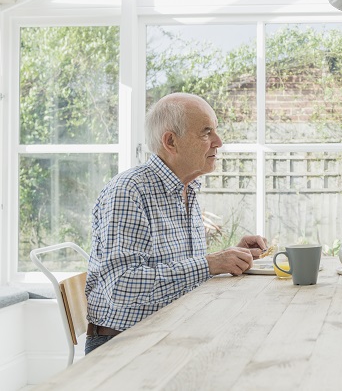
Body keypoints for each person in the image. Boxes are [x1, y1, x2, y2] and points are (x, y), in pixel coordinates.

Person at [85, 93, 266, 354]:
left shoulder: (186, 188)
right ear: (171, 141)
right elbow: (121, 286)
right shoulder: (128, 192)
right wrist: (210, 263)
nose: (219, 142)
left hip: (172, 334)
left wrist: (232, 256)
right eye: (206, 133)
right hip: (124, 345)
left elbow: (179, 271)